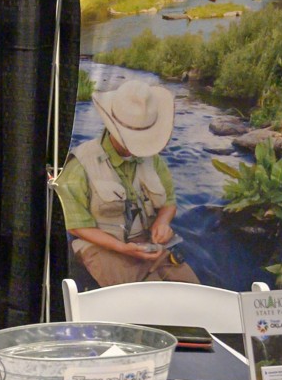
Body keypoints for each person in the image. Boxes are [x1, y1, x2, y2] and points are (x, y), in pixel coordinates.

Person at [56, 79, 201, 287]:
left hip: (148, 243)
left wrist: (162, 222)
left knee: (192, 290)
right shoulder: (80, 164)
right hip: (100, 246)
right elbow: (76, 226)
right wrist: (122, 248)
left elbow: (169, 202)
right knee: (146, 297)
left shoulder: (154, 160)